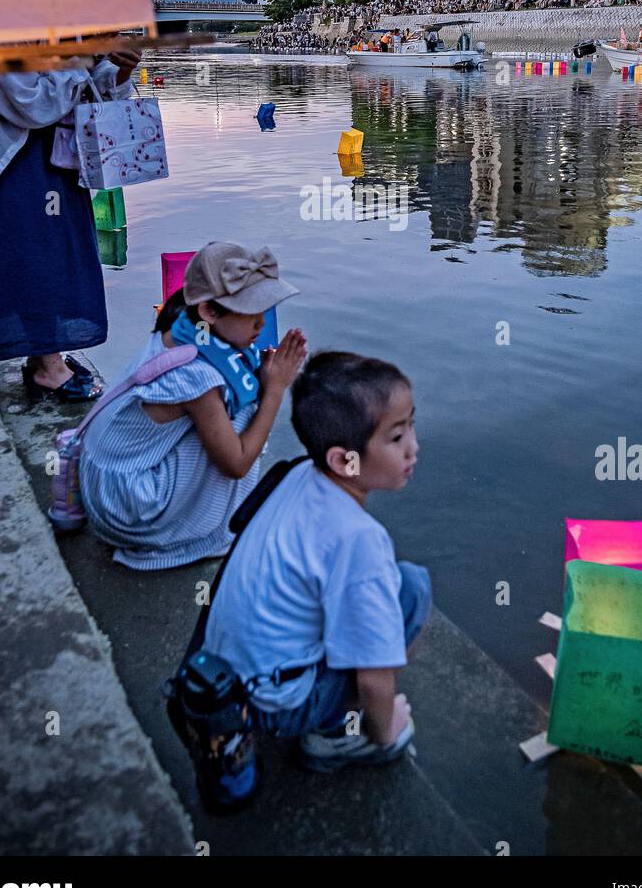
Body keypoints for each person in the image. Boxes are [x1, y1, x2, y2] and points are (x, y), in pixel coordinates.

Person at [201, 351, 431, 771]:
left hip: (229, 679)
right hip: (276, 704)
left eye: (411, 425)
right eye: (396, 438)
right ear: (344, 460)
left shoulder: (297, 473)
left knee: (389, 589)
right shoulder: (359, 538)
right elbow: (374, 677)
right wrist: (385, 734)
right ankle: (333, 734)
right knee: (412, 589)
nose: (413, 447)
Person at [78, 242, 307, 569]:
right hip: (127, 511)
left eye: (262, 312)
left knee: (237, 394)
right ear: (209, 312)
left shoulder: (181, 330)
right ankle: (208, 533)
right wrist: (275, 389)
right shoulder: (198, 378)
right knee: (241, 412)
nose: (261, 325)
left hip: (108, 485)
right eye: (250, 314)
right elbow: (237, 464)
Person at [0, 52, 139, 401]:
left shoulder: (66, 28)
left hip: (60, 160)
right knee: (30, 257)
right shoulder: (2, 33)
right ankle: (48, 365)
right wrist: (83, 59)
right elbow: (34, 105)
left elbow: (98, 93)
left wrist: (122, 67)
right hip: (13, 165)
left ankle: (44, 355)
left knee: (56, 257)